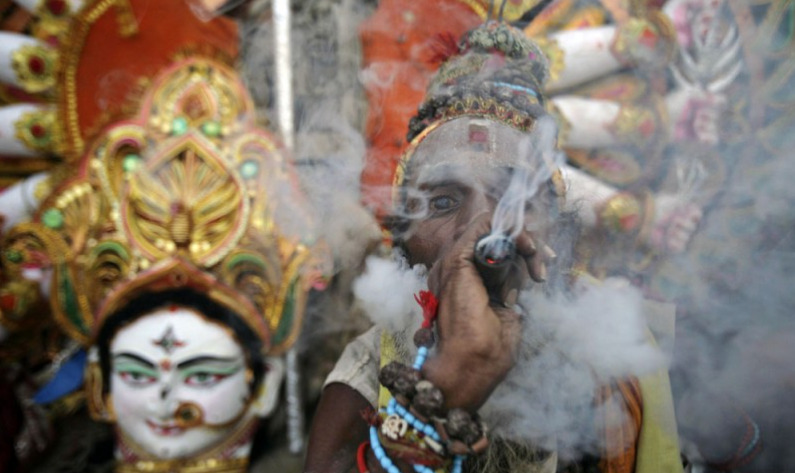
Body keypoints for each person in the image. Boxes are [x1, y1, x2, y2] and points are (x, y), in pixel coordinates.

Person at [306, 20, 682, 473]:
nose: (484, 232)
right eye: (443, 202)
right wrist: (445, 393)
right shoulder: (365, 375)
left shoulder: (625, 351)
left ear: (558, 232)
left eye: (517, 200)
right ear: (402, 241)